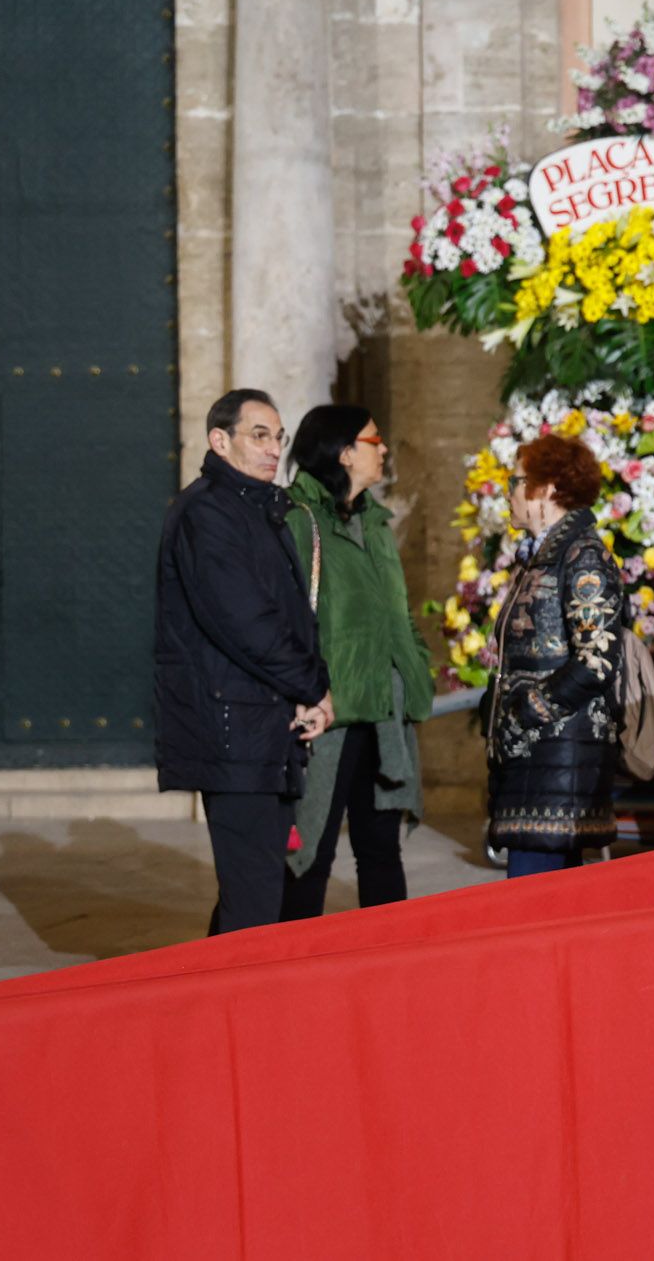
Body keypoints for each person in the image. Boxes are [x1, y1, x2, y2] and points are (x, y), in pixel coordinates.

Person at [154, 389, 333, 934]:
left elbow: (288, 618)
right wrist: (315, 685)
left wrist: (305, 693)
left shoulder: (257, 510)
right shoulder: (207, 513)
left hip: (264, 727)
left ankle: (220, 1007)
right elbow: (245, 623)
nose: (273, 448)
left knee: (257, 891)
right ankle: (229, 1013)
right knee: (252, 899)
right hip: (233, 729)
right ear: (219, 440)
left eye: (278, 437)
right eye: (259, 435)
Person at [278, 406, 433, 920]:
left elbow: (398, 614)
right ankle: (288, 975)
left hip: (384, 709)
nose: (383, 449)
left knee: (382, 851)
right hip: (329, 714)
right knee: (308, 853)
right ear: (344, 452)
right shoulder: (299, 521)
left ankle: (386, 972)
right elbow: (285, 621)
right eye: (375, 440)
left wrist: (416, 673)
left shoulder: (375, 522)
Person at [485, 433, 624, 877]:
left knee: (533, 905)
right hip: (540, 761)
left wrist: (527, 710)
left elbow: (597, 660)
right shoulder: (548, 556)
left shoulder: (581, 556)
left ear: (545, 489)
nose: (509, 492)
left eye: (516, 480)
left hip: (558, 760)